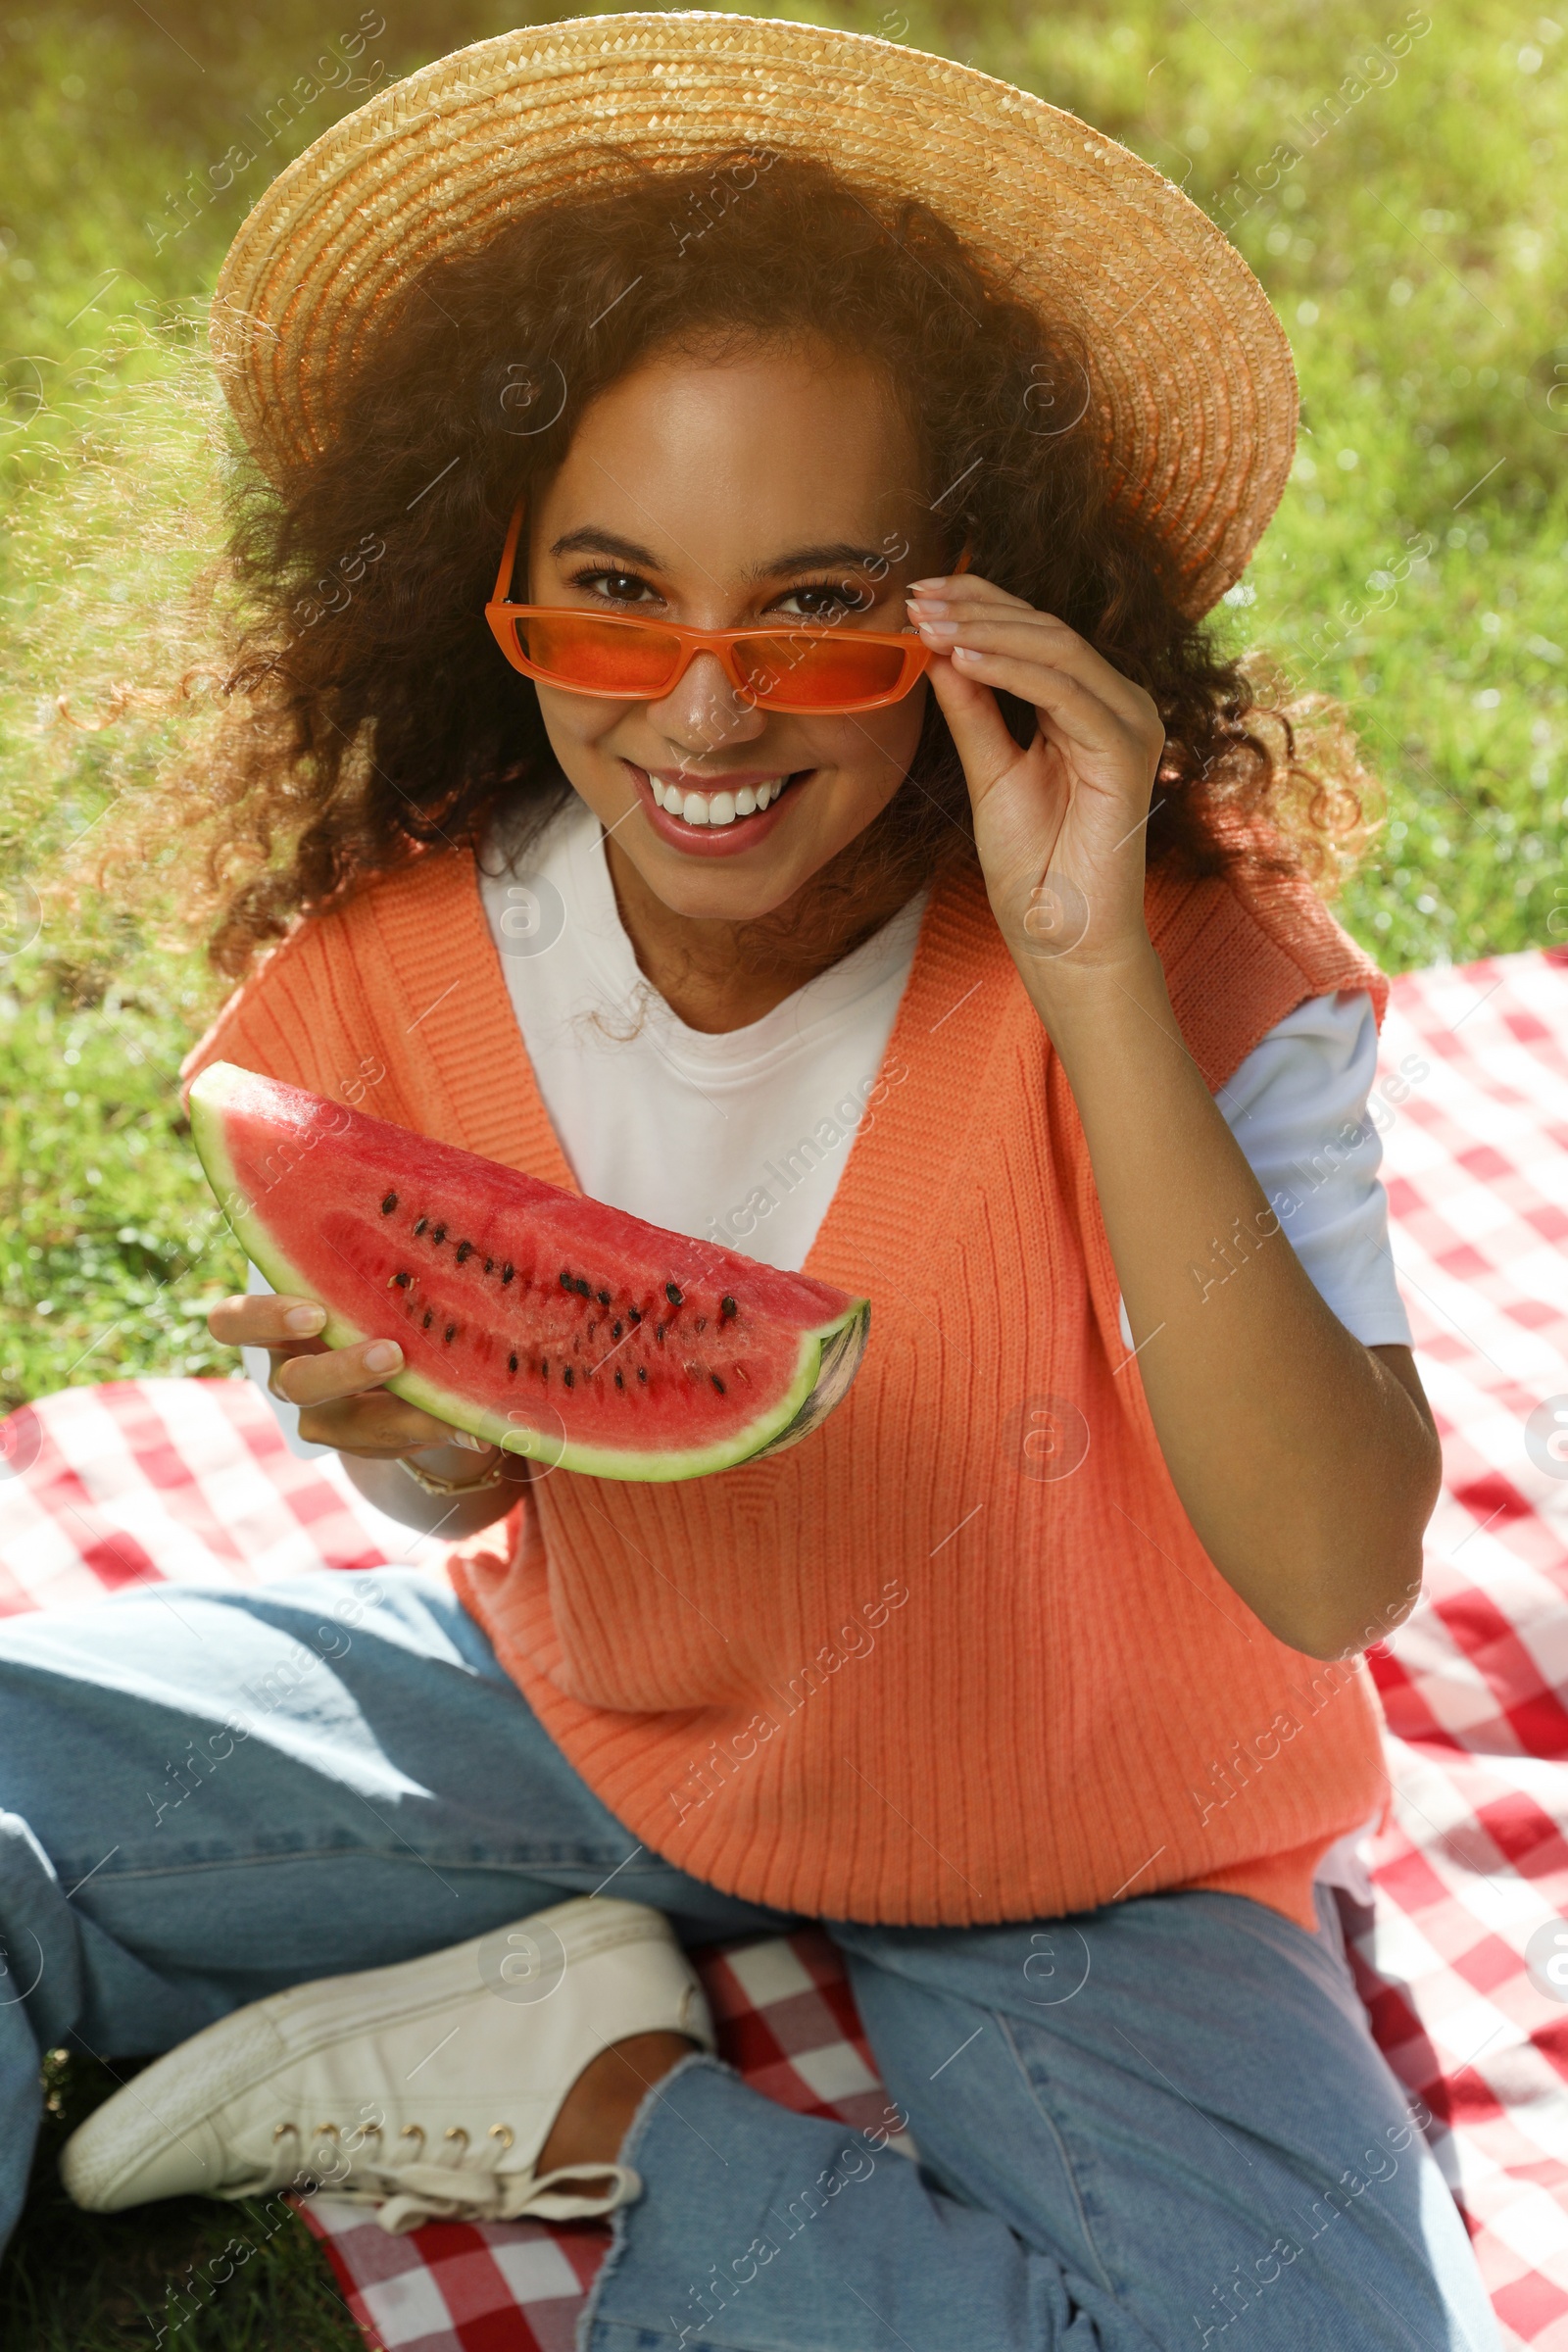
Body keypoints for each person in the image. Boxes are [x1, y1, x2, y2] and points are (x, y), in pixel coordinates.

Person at [0, 15, 1498, 2347]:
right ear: (480, 572)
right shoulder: (406, 953)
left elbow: (1329, 1572)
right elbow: (498, 1463)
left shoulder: (1197, 965)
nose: (698, 714)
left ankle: (603, 2100)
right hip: (598, 1719)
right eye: (610, 592)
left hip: (1091, 1853)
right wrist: (433, 1447)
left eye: (813, 608)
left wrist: (1089, 971)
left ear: (976, 602)